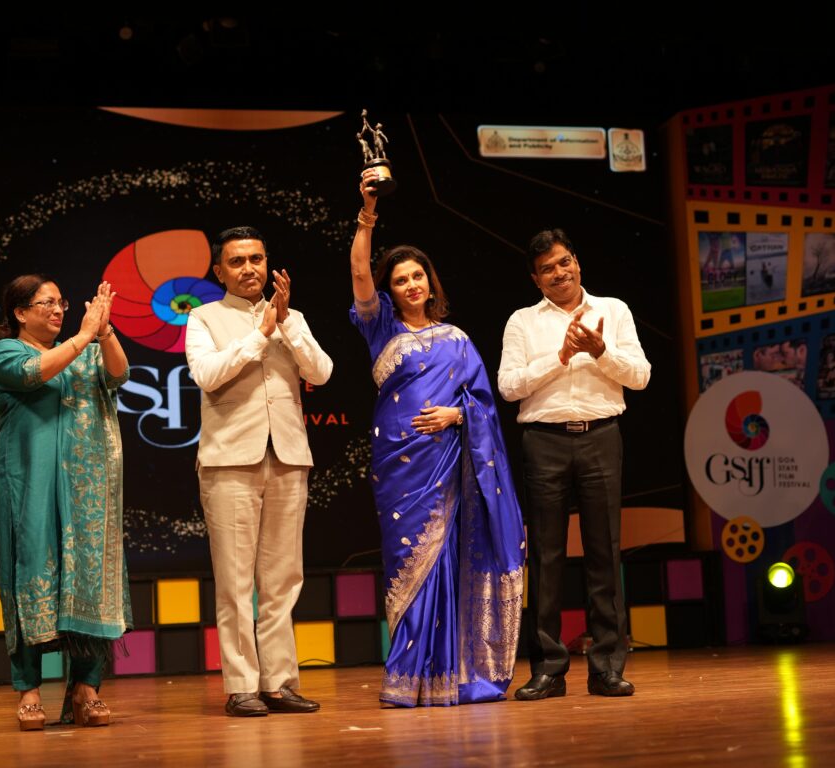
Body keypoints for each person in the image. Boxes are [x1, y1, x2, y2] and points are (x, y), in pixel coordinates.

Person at [351, 169, 526, 707]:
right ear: (390, 290)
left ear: (431, 282)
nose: (411, 285)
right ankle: (409, 675)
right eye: (400, 279)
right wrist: (367, 214)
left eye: (418, 276)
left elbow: (484, 404)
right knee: (408, 562)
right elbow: (359, 271)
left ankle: (451, 673)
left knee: (448, 558)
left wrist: (457, 414)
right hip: (400, 467)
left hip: (449, 462)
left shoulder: (458, 339)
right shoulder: (381, 329)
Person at [186, 226, 333, 717]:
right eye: (237, 261)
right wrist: (261, 334)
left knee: (283, 578)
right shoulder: (203, 318)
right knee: (234, 581)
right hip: (229, 459)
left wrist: (285, 323)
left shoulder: (292, 316)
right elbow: (207, 375)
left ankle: (279, 681)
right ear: (219, 271)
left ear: (267, 263)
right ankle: (241, 685)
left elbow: (321, 372)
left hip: (288, 456)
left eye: (257, 259)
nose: (249, 268)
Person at [498, 229, 650, 699]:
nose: (559, 273)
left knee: (605, 552)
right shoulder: (523, 321)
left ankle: (607, 667)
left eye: (564, 262)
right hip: (544, 441)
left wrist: (600, 351)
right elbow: (509, 386)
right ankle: (548, 669)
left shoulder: (614, 310)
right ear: (536, 279)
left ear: (577, 263)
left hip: (601, 435)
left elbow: (641, 376)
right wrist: (561, 356)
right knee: (546, 557)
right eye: (547, 269)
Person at [0, 275, 131, 730]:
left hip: (85, 493)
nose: (57, 310)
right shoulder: (6, 353)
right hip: (30, 486)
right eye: (45, 303)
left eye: (60, 302)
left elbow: (119, 374)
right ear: (19, 313)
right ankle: (29, 691)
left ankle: (86, 688)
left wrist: (104, 332)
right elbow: (37, 373)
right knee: (29, 573)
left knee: (89, 574)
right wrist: (84, 335)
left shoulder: (86, 349)